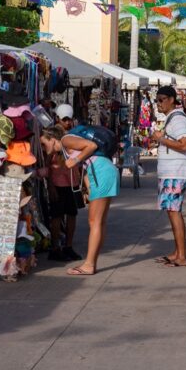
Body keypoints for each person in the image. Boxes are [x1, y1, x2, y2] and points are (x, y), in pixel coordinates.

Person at [51, 104, 120, 277]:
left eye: (45, 144)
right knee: (99, 222)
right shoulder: (69, 144)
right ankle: (91, 262)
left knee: (94, 222)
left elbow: (91, 146)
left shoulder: (66, 140)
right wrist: (88, 189)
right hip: (105, 171)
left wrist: (74, 161)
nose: (47, 150)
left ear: (53, 139)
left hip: (101, 172)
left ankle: (89, 265)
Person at [151, 85, 186, 266]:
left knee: (174, 212)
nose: (158, 104)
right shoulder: (172, 119)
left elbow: (185, 145)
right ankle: (178, 252)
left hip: (175, 173)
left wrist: (161, 139)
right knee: (172, 211)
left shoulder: (178, 120)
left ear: (170, 99)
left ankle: (182, 256)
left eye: (161, 100)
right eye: (156, 100)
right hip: (171, 172)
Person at [39, 112, 82, 263]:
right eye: (65, 119)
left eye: (69, 119)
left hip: (72, 183)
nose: (68, 122)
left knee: (71, 215)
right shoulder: (53, 143)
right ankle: (55, 248)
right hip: (57, 184)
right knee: (57, 216)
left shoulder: (68, 140)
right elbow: (48, 165)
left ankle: (67, 247)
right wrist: (50, 186)